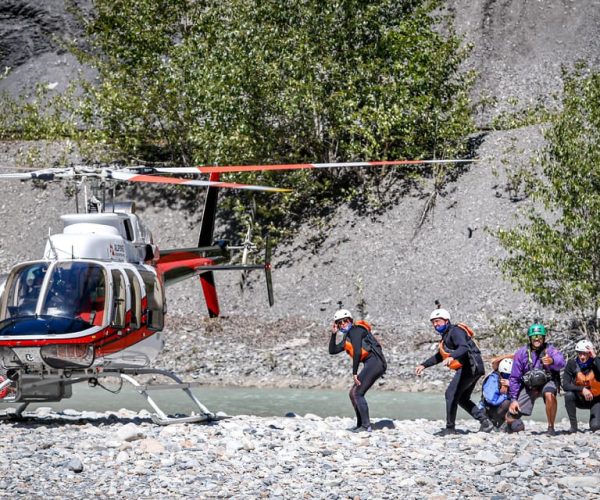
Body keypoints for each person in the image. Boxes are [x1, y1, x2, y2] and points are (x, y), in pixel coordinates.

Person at [415, 306, 493, 436]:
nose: (435, 324)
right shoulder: (446, 336)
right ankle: (485, 422)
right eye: (433, 322)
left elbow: (464, 347)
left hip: (471, 367)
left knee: (450, 394)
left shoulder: (455, 331)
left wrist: (452, 357)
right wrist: (424, 365)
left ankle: (450, 428)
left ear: (446, 321)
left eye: (438, 321)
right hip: (474, 367)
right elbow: (440, 356)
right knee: (461, 398)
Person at [328, 308, 387, 433]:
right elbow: (332, 351)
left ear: (350, 320)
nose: (343, 324)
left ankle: (366, 426)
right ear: (337, 325)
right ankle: (361, 424)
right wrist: (333, 334)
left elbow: (358, 352)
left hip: (376, 362)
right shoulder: (347, 338)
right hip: (372, 363)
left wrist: (354, 372)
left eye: (345, 321)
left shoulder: (356, 330)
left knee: (357, 393)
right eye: (340, 322)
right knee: (353, 393)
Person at [507, 323, 566, 436]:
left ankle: (550, 427)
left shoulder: (551, 350)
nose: (537, 339)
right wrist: (513, 399)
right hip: (529, 385)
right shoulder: (521, 353)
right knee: (511, 416)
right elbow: (514, 378)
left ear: (544, 338)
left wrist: (552, 361)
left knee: (549, 394)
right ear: (530, 338)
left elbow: (562, 363)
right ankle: (509, 424)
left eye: (540, 336)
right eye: (534, 336)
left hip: (547, 382)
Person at [562, 339, 600, 433]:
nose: (582, 356)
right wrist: (582, 389)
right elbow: (565, 385)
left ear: (589, 353)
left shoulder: (596, 362)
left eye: (585, 354)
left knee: (595, 427)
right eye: (580, 353)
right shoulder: (572, 364)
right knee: (569, 395)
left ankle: (595, 422)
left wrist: (595, 356)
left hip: (596, 400)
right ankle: (573, 427)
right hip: (580, 399)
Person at [479, 356, 524, 432]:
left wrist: (511, 386)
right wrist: (505, 395)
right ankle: (492, 422)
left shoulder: (512, 380)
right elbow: (491, 400)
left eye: (509, 375)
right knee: (507, 402)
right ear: (500, 372)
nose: (507, 377)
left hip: (504, 409)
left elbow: (521, 391)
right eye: (505, 374)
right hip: (489, 409)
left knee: (519, 427)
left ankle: (506, 422)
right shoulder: (492, 379)